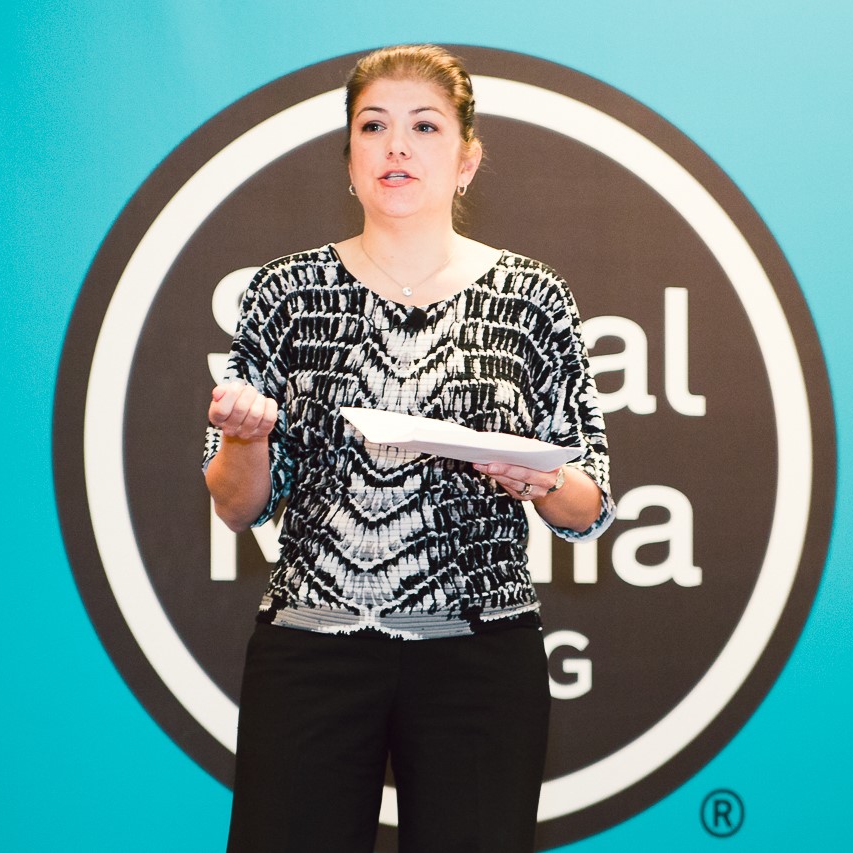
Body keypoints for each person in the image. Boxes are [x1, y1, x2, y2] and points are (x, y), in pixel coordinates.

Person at [202, 44, 615, 853]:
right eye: (373, 126)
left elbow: (591, 503)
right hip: (311, 652)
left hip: (480, 659)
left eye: (425, 126)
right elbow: (236, 504)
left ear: (467, 160)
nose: (397, 146)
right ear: (349, 159)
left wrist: (539, 480)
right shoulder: (283, 291)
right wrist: (245, 436)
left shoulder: (534, 297)